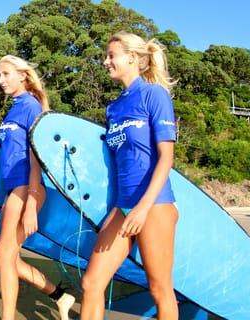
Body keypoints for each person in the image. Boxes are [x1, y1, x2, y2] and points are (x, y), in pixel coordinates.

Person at [80, 31, 179, 320]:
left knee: (160, 289)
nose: (106, 61)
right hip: (123, 206)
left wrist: (143, 207)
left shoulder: (154, 94)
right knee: (92, 283)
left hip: (155, 204)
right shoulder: (114, 107)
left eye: (112, 55)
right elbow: (116, 167)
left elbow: (166, 158)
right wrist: (115, 209)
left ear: (132, 58)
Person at [0, 55, 75, 320]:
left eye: (6, 74)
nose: (1, 80)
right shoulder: (15, 107)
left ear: (23, 75)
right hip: (13, 187)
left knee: (4, 253)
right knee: (10, 257)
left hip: (26, 186)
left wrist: (31, 202)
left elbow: (35, 156)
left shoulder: (31, 106)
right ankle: (61, 297)